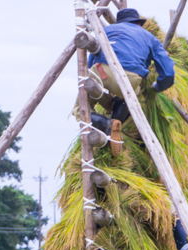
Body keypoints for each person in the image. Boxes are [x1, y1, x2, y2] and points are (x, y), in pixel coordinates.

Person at [73, 8, 175, 154]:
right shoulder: (150, 37)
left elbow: (91, 60)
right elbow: (168, 72)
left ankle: (106, 124)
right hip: (132, 80)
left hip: (103, 73)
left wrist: (91, 84)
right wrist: (158, 87)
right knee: (132, 94)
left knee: (80, 109)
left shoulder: (106, 30)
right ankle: (115, 124)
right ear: (138, 23)